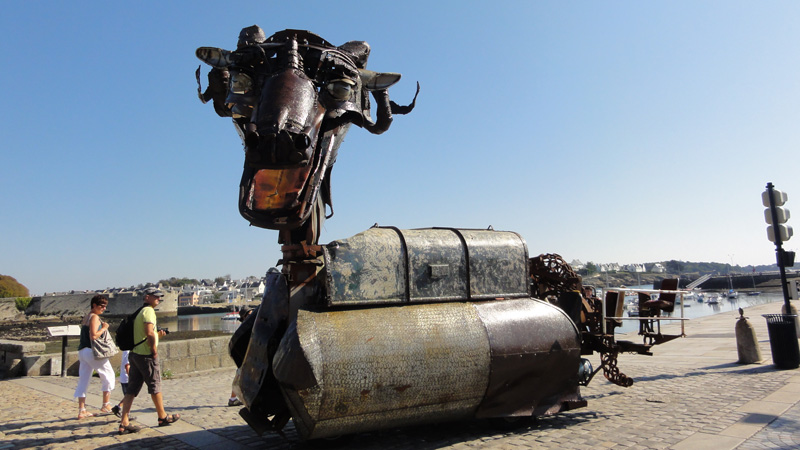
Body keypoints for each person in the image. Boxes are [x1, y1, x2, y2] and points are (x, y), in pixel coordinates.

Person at [117, 288, 181, 435]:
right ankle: (162, 416)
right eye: (156, 297)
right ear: (147, 297)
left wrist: (157, 336)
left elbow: (146, 334)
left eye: (160, 297)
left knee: (131, 390)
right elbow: (149, 332)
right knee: (155, 386)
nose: (159, 299)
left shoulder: (140, 312)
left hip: (135, 354)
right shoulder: (149, 312)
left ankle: (124, 422)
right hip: (145, 355)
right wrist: (154, 350)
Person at [73, 295, 116, 419]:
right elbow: (94, 336)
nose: (103, 308)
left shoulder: (86, 317)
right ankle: (106, 405)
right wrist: (104, 328)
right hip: (92, 352)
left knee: (84, 380)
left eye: (105, 306)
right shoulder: (95, 317)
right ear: (94, 305)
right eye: (101, 306)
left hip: (82, 351)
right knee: (109, 375)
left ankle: (82, 410)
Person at [227, 305, 253, 406]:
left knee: (242, 377)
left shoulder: (245, 328)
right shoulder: (245, 329)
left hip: (247, 357)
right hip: (245, 358)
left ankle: (236, 398)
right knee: (239, 377)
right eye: (249, 314)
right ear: (245, 317)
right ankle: (233, 399)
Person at [111, 350, 132, 418]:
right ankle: (125, 415)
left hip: (125, 378)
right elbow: (127, 365)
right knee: (128, 397)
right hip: (126, 379)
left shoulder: (127, 351)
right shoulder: (127, 352)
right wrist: (131, 377)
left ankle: (118, 407)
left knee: (128, 396)